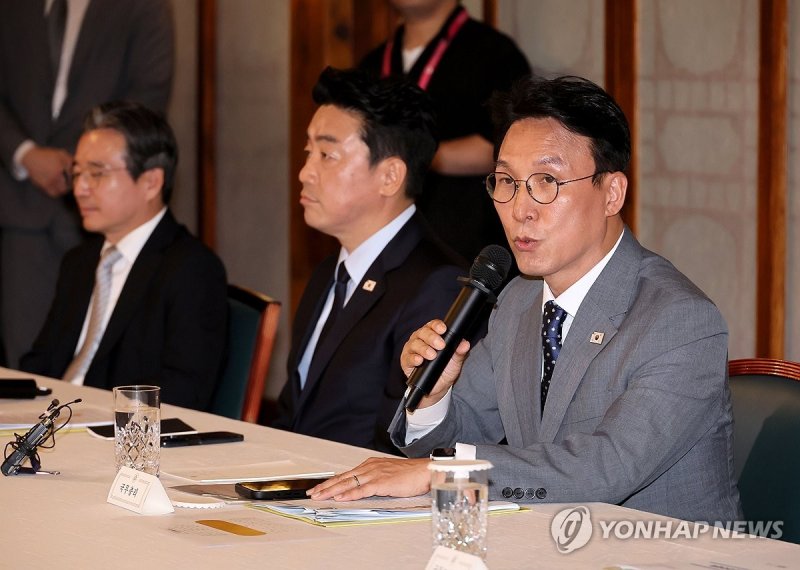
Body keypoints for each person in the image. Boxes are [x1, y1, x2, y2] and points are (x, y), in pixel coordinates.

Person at [308, 75, 742, 524]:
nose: (520, 209)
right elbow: (459, 432)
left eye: (547, 181)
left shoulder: (680, 320)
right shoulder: (518, 300)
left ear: (612, 193)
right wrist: (435, 396)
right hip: (548, 539)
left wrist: (443, 473)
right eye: (506, 181)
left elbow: (606, 468)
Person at [272, 67, 471, 454]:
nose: (305, 173)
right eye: (308, 152)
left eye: (327, 155)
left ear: (390, 176)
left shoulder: (437, 284)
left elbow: (402, 442)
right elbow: (293, 415)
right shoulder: (329, 273)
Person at [20, 101, 227, 411]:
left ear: (151, 182)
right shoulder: (79, 261)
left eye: (96, 173)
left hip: (118, 430)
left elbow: (184, 392)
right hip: (52, 421)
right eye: (77, 173)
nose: (80, 188)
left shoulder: (192, 269)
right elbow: (41, 363)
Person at [0, 0, 174, 367]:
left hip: (115, 208)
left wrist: (83, 165)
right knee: (29, 365)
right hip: (22, 205)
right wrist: (26, 153)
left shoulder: (144, 7)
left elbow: (149, 94)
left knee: (110, 360)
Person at [360, 0, 530, 265]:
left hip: (463, 245)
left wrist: (415, 153)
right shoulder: (372, 63)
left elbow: (508, 149)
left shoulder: (495, 54)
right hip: (381, 241)